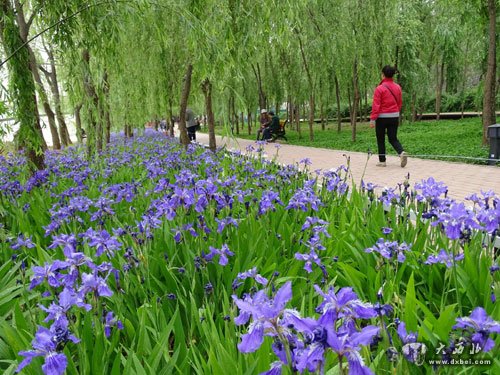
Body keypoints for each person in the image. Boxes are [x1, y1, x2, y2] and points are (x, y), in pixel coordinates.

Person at [370, 65, 408, 168]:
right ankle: (401, 152)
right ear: (392, 75)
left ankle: (382, 161)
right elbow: (399, 103)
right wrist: (395, 112)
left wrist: (373, 119)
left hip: (381, 118)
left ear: (383, 75)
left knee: (380, 138)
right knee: (393, 138)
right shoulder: (397, 87)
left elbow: (376, 105)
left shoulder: (379, 89)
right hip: (394, 116)